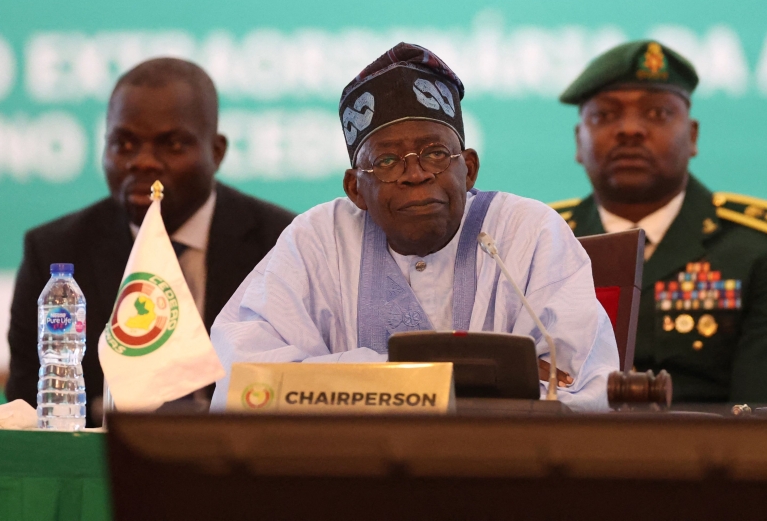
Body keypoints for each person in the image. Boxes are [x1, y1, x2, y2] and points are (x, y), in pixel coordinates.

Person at [210, 43, 619, 411]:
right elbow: (246, 378)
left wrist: (335, 378)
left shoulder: (529, 232)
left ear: (469, 169)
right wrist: (453, 376)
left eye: (435, 153)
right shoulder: (318, 238)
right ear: (356, 188)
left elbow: (580, 388)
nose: (415, 174)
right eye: (387, 162)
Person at [6, 58, 296, 422]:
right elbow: (25, 409)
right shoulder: (55, 252)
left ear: (216, 151)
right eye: (124, 144)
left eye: (172, 145)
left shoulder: (280, 243)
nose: (142, 162)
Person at [551, 40, 767, 407]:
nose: (630, 130)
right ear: (578, 142)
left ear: (693, 136)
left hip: (711, 459)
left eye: (658, 114)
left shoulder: (765, 248)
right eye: (605, 115)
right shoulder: (543, 242)